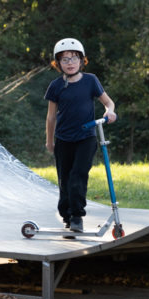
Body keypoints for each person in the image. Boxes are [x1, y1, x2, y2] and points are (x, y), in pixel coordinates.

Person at [44, 38, 117, 234]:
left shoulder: (91, 81)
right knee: (65, 180)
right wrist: (50, 141)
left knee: (78, 176)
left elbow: (108, 103)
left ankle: (77, 216)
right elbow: (51, 117)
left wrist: (109, 112)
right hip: (63, 139)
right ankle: (67, 215)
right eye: (64, 59)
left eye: (74, 58)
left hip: (86, 137)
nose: (69, 62)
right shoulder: (56, 86)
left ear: (82, 60)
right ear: (58, 64)